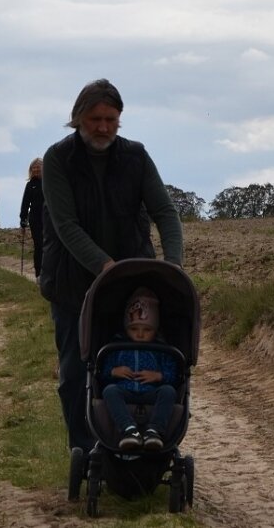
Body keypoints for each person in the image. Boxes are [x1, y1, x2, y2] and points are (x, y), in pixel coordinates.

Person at [41, 78, 183, 453]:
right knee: (76, 372)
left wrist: (174, 266)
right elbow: (66, 226)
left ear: (120, 119)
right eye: (94, 119)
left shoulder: (135, 156)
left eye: (111, 119)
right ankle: (86, 451)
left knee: (139, 366)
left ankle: (140, 440)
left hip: (132, 286)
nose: (103, 127)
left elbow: (165, 213)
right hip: (72, 284)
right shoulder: (58, 159)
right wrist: (105, 267)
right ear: (77, 120)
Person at [101, 287, 176, 451]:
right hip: (124, 390)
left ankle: (154, 430)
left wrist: (159, 376)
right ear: (126, 328)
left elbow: (174, 374)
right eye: (134, 329)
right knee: (109, 390)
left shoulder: (161, 349)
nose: (140, 335)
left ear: (155, 330)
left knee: (168, 391)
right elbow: (102, 372)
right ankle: (129, 429)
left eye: (147, 330)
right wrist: (113, 371)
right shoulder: (117, 347)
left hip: (151, 392)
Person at [19, 158, 44, 279]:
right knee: (39, 245)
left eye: (39, 166)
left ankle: (50, 271)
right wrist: (23, 220)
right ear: (31, 170)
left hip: (50, 218)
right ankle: (39, 273)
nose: (36, 169)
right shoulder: (30, 185)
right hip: (35, 219)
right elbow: (25, 203)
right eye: (34, 167)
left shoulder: (50, 182)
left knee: (50, 246)